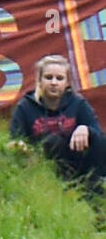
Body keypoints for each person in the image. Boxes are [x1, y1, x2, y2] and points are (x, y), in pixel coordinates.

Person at [9, 54, 106, 189]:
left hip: (78, 161)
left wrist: (86, 129)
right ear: (39, 81)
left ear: (67, 83)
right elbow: (14, 140)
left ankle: (96, 186)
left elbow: (99, 136)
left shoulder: (78, 103)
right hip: (43, 163)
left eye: (59, 78)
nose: (54, 82)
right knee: (52, 141)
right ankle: (62, 187)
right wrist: (20, 146)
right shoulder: (24, 107)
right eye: (48, 77)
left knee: (99, 140)